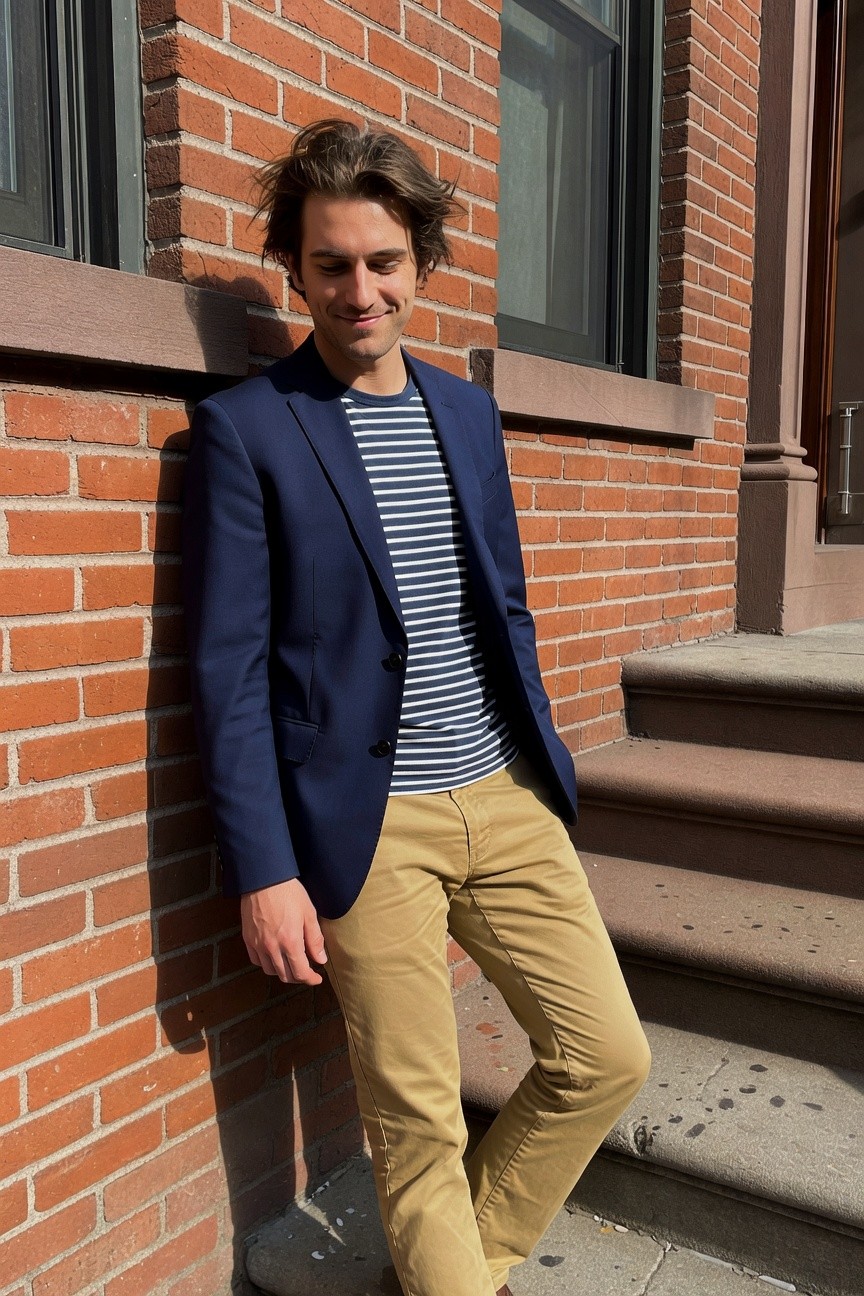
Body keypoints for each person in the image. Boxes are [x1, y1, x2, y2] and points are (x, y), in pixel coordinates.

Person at [181, 118, 651, 1296]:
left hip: (501, 791)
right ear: (298, 268)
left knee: (606, 1056)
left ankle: (458, 1264)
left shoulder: (468, 414)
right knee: (417, 1123)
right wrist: (263, 868)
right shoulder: (249, 431)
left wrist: (540, 764)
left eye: (382, 262)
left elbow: (506, 605)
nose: (359, 290)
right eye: (332, 264)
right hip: (365, 826)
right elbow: (227, 669)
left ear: (421, 263)